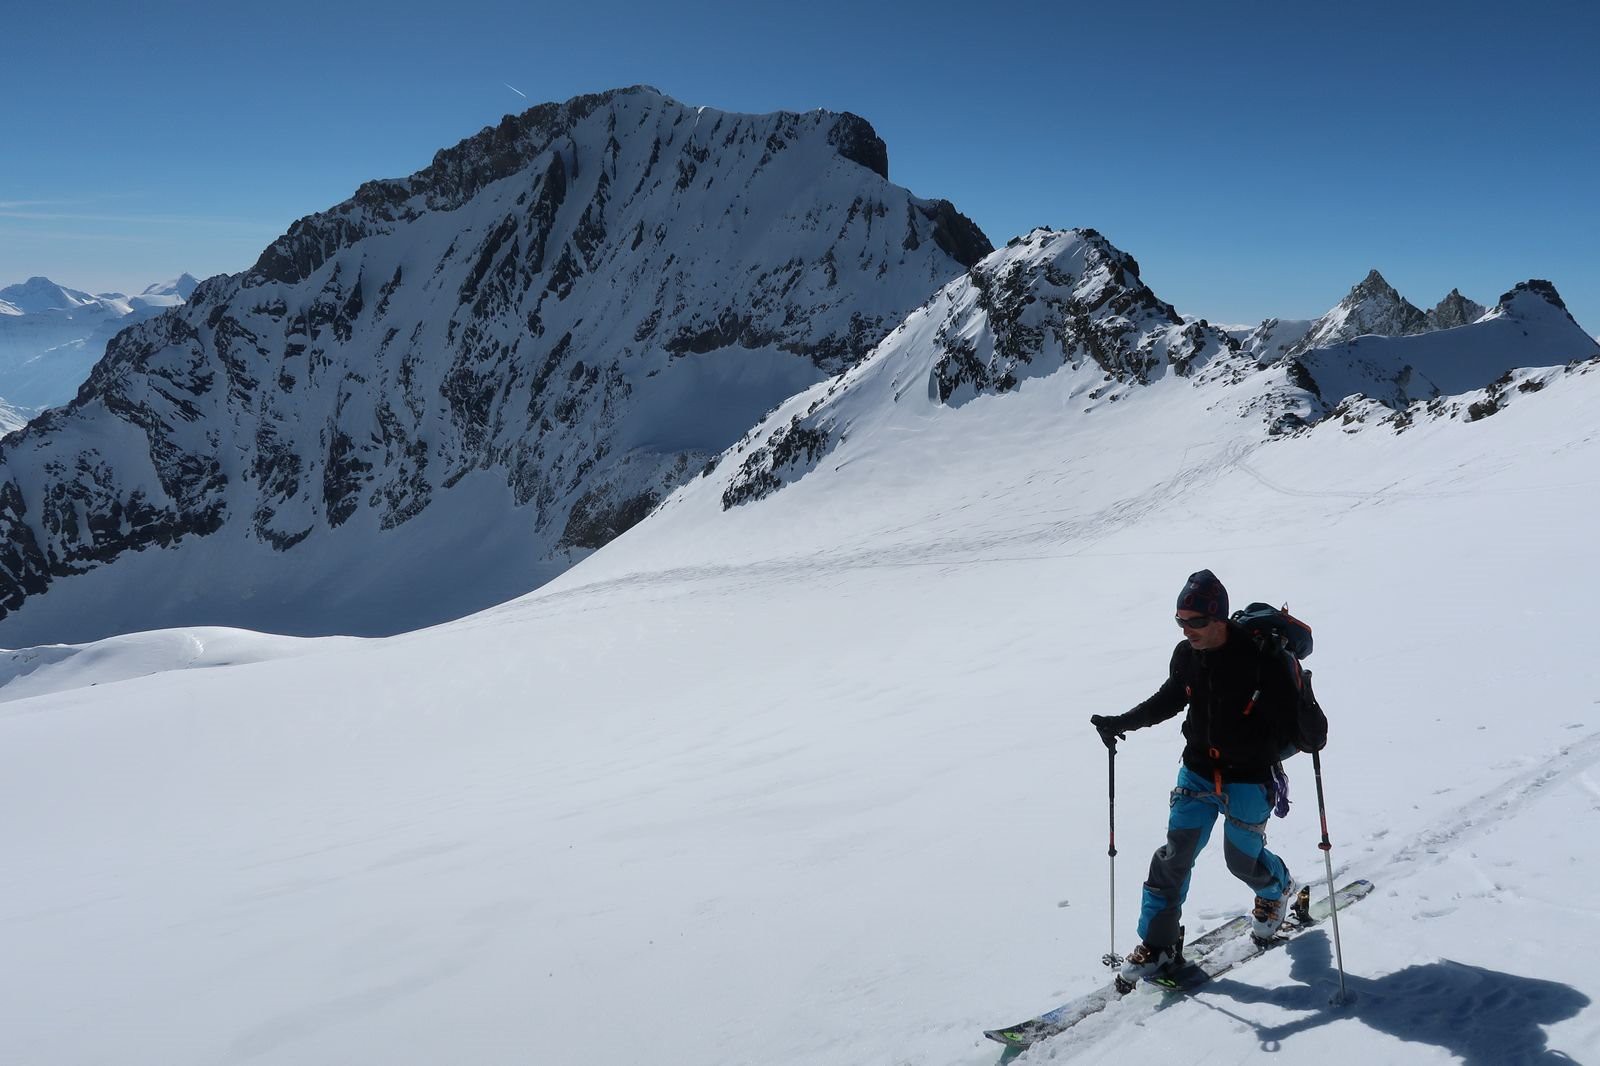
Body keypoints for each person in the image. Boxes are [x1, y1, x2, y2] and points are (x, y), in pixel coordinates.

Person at [1089, 569, 1326, 984]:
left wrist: (1308, 714)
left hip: (1250, 778)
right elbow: (1171, 698)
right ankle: (1158, 946)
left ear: (1220, 618)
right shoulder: (1187, 655)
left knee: (1242, 861)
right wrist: (1121, 721)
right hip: (1197, 772)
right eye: (1180, 622)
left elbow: (1307, 732)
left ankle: (1277, 889)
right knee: (1172, 860)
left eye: (1196, 622)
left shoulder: (1263, 659)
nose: (1187, 630)